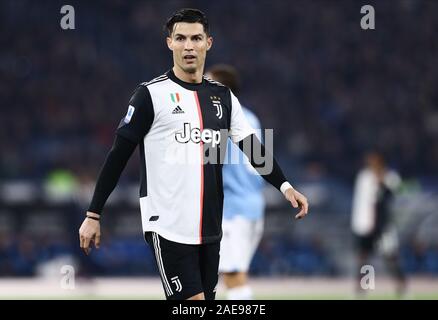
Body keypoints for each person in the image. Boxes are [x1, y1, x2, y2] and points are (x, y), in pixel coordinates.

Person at [79, 8, 309, 300]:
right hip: (168, 227)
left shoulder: (223, 98)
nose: (189, 45)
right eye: (181, 38)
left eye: (196, 38)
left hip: (210, 229)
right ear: (170, 43)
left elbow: (253, 149)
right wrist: (93, 213)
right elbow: (118, 155)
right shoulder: (150, 95)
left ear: (208, 43)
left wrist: (286, 187)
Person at [206, 65, 265, 300]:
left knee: (233, 277)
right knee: (232, 274)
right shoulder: (251, 118)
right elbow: (262, 165)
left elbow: (209, 166)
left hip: (232, 211)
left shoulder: (220, 121)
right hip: (253, 208)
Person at [351, 151, 406, 297]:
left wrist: (382, 182)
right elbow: (361, 202)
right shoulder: (364, 177)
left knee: (390, 256)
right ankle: (364, 287)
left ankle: (401, 284)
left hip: (383, 225)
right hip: (365, 224)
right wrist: (359, 223)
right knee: (364, 256)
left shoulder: (389, 177)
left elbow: (395, 193)